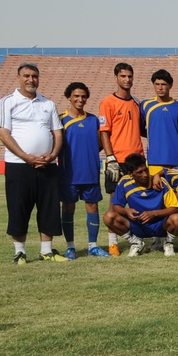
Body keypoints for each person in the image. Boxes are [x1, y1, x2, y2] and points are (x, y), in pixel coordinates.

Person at [0, 63, 66, 264]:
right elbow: (3, 133)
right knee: (19, 207)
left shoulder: (48, 104)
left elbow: (57, 133)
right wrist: (26, 157)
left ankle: (47, 250)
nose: (31, 79)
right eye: (26, 75)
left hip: (48, 165)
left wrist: (52, 155)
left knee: (49, 207)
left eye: (34, 75)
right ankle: (20, 252)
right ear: (18, 77)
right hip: (18, 164)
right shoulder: (7, 102)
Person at [58, 82, 108, 259]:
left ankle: (93, 246)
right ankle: (70, 247)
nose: (80, 99)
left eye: (83, 96)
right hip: (68, 174)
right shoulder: (61, 119)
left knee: (92, 206)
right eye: (76, 96)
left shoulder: (93, 119)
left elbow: (101, 142)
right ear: (69, 97)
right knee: (68, 208)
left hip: (90, 172)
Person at [102, 153, 178, 257]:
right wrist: (126, 211)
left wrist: (154, 214)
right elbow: (116, 206)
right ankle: (137, 243)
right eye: (139, 172)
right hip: (137, 225)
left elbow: (176, 208)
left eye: (146, 170)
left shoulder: (160, 182)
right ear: (130, 174)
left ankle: (168, 243)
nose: (145, 174)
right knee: (108, 217)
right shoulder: (124, 183)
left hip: (160, 225)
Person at [98, 62, 143, 194]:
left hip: (138, 158)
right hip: (118, 160)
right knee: (115, 203)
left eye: (130, 76)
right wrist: (110, 158)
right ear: (116, 77)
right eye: (123, 76)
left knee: (140, 200)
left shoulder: (136, 102)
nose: (127, 79)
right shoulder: (107, 102)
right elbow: (104, 132)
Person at [140, 70, 178, 194]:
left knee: (177, 197)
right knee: (157, 194)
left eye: (164, 84)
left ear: (170, 86)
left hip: (176, 159)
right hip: (155, 159)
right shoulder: (145, 105)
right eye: (157, 84)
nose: (160, 88)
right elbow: (141, 129)